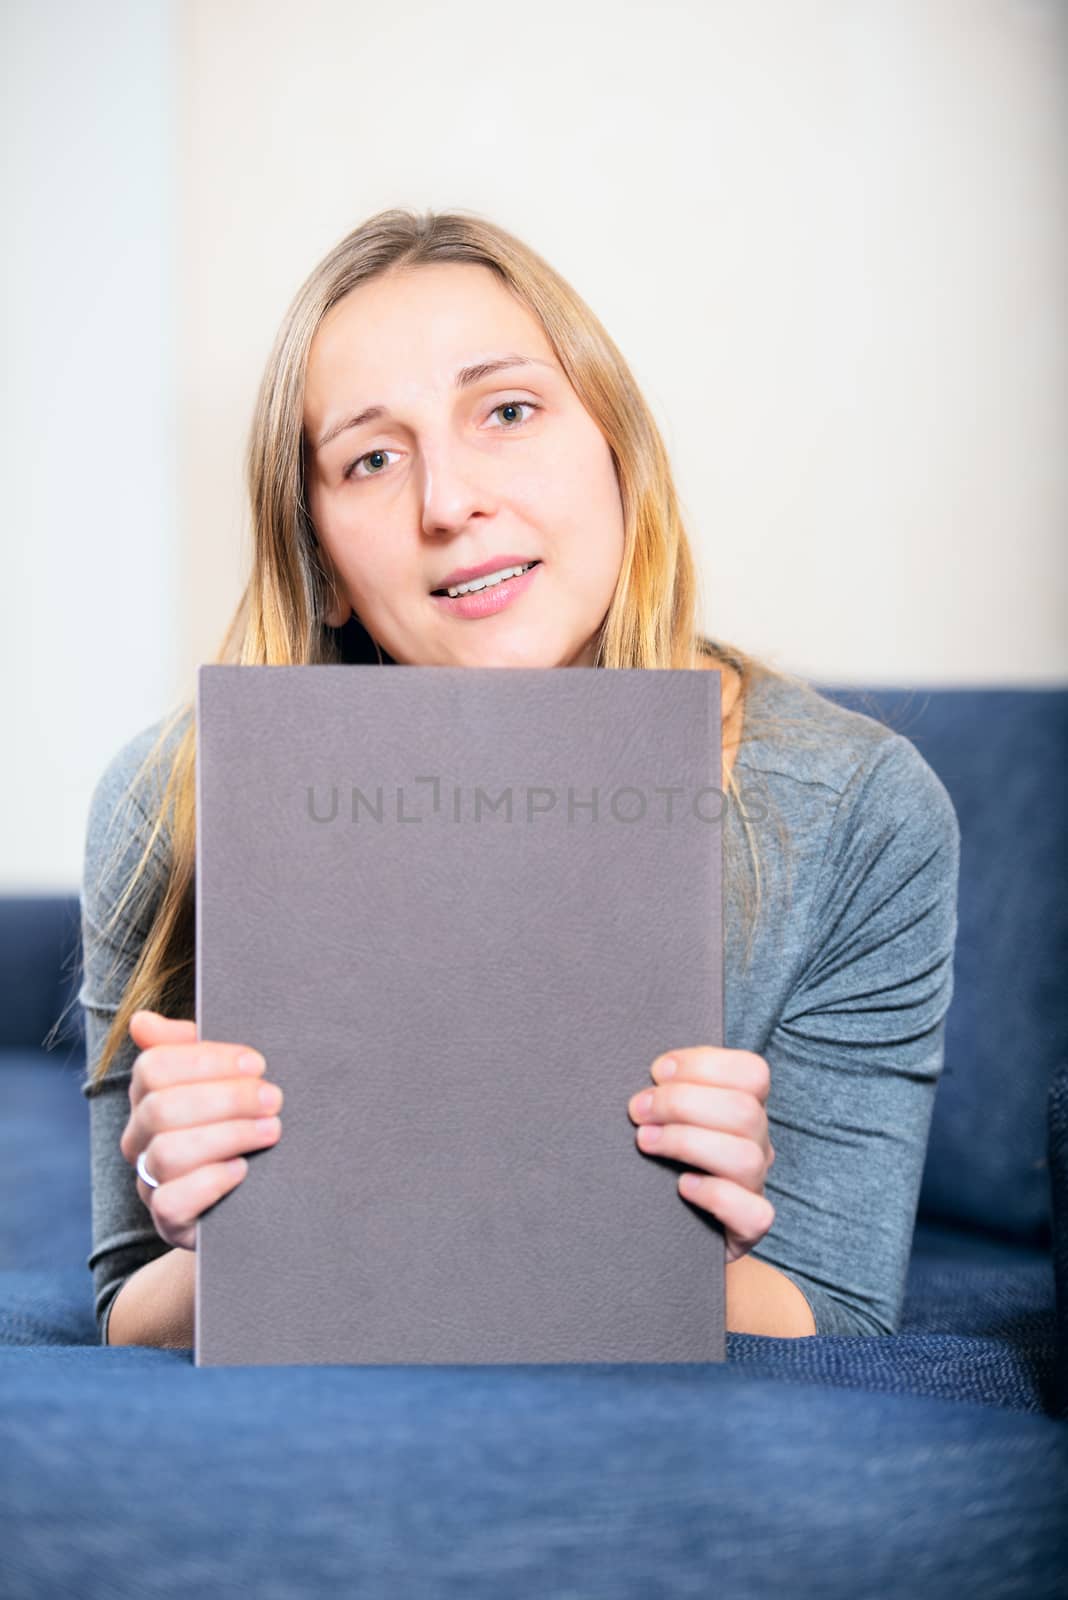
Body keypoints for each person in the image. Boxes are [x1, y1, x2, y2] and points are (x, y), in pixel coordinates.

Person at [77, 207, 960, 1350]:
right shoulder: (171, 802)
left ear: (618, 451)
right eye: (371, 458)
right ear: (325, 565)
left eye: (507, 410)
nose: (448, 502)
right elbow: (126, 1305)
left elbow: (833, 1307)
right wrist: (221, 1238)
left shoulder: (857, 813)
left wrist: (678, 1252)